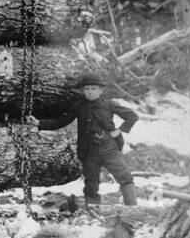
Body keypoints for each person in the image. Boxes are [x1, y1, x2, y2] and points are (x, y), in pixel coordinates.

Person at [29, 71, 139, 209]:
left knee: (125, 177)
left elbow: (132, 116)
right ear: (83, 91)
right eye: (87, 89)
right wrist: (39, 123)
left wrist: (120, 130)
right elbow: (61, 121)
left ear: (101, 90)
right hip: (89, 152)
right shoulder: (78, 106)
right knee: (91, 186)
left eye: (93, 88)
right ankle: (93, 214)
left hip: (109, 148)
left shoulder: (109, 104)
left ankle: (133, 209)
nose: (90, 92)